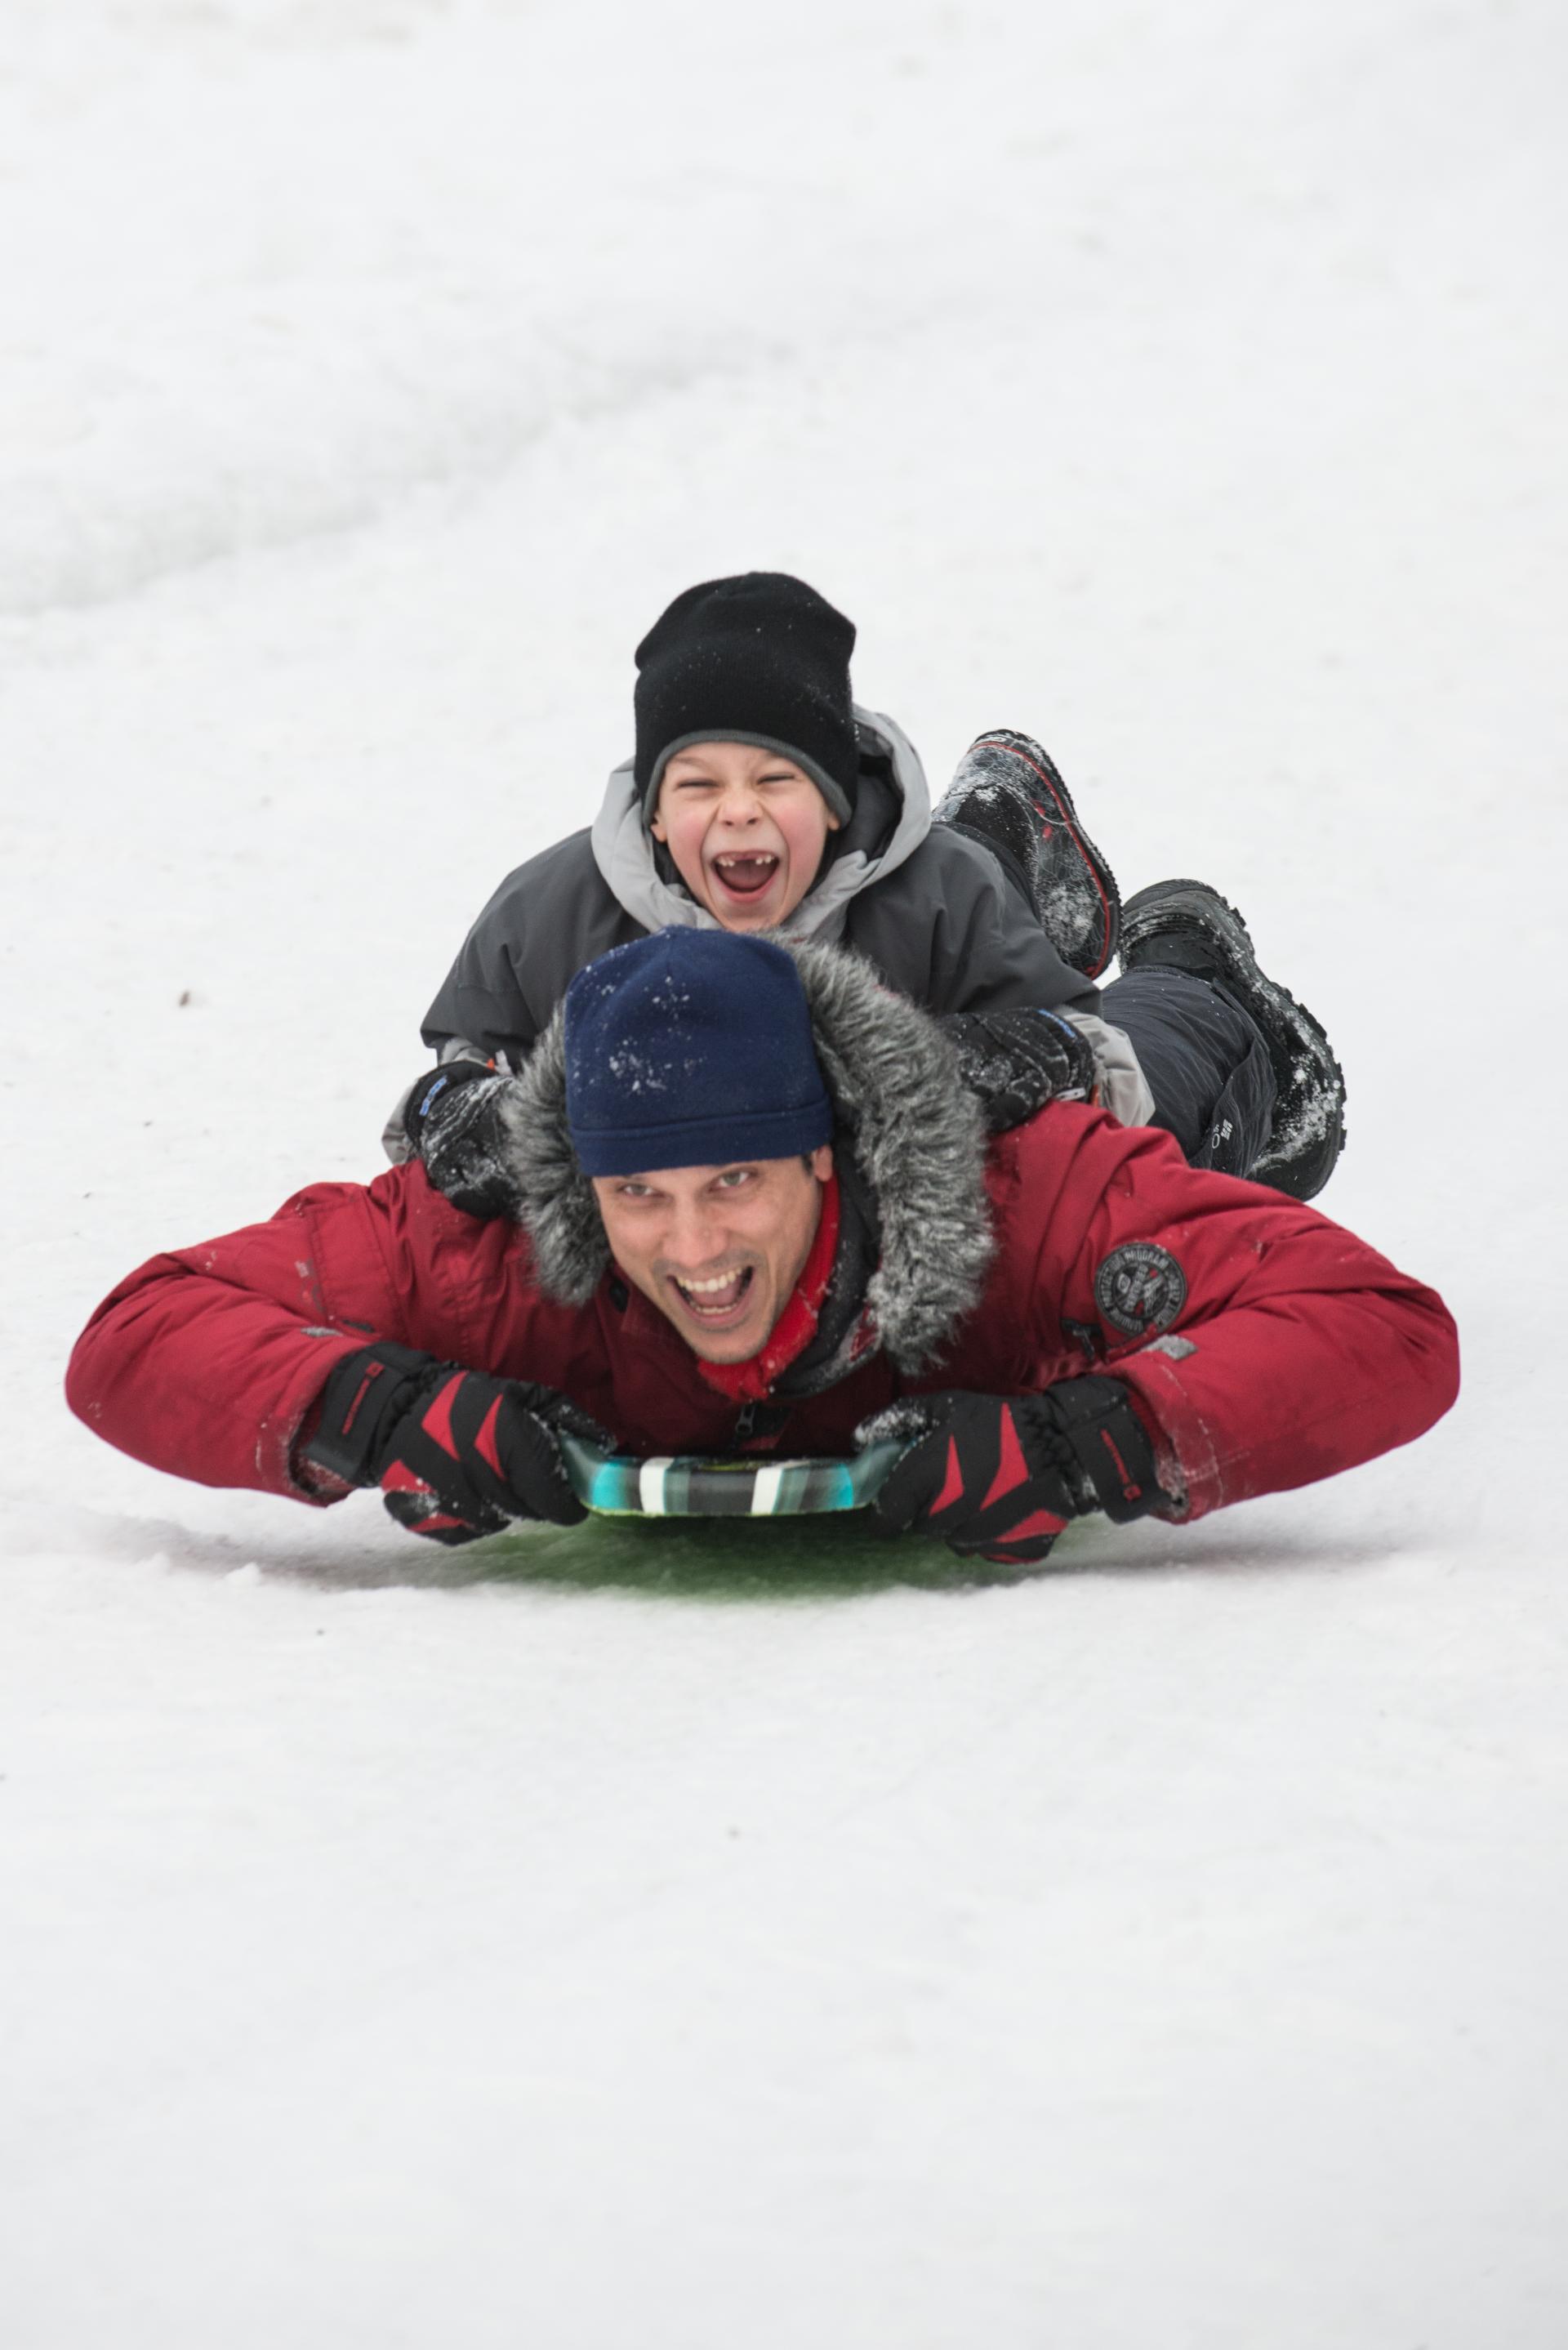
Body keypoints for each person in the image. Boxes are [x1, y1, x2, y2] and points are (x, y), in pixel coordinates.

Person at [68, 927, 1453, 1569]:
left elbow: (1377, 1320)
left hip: (1151, 1070)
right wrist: (388, 1413)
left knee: (1186, 1055)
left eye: (735, 1180)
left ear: (822, 1154)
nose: (692, 1244)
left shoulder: (1023, 1191)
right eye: (642, 1197)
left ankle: (1188, 958)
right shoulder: (489, 1251)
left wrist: (1091, 1440)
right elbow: (142, 1330)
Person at [391, 573, 1346, 1222]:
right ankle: (999, 831)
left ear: (839, 802)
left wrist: (975, 1068)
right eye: (696, 787)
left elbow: (1105, 1080)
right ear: (650, 813)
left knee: (1138, 1167)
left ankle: (1197, 973)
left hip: (945, 1111)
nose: (736, 815)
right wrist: (494, 1123)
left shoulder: (933, 901)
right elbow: (439, 1117)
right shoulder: (549, 916)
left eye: (776, 783)